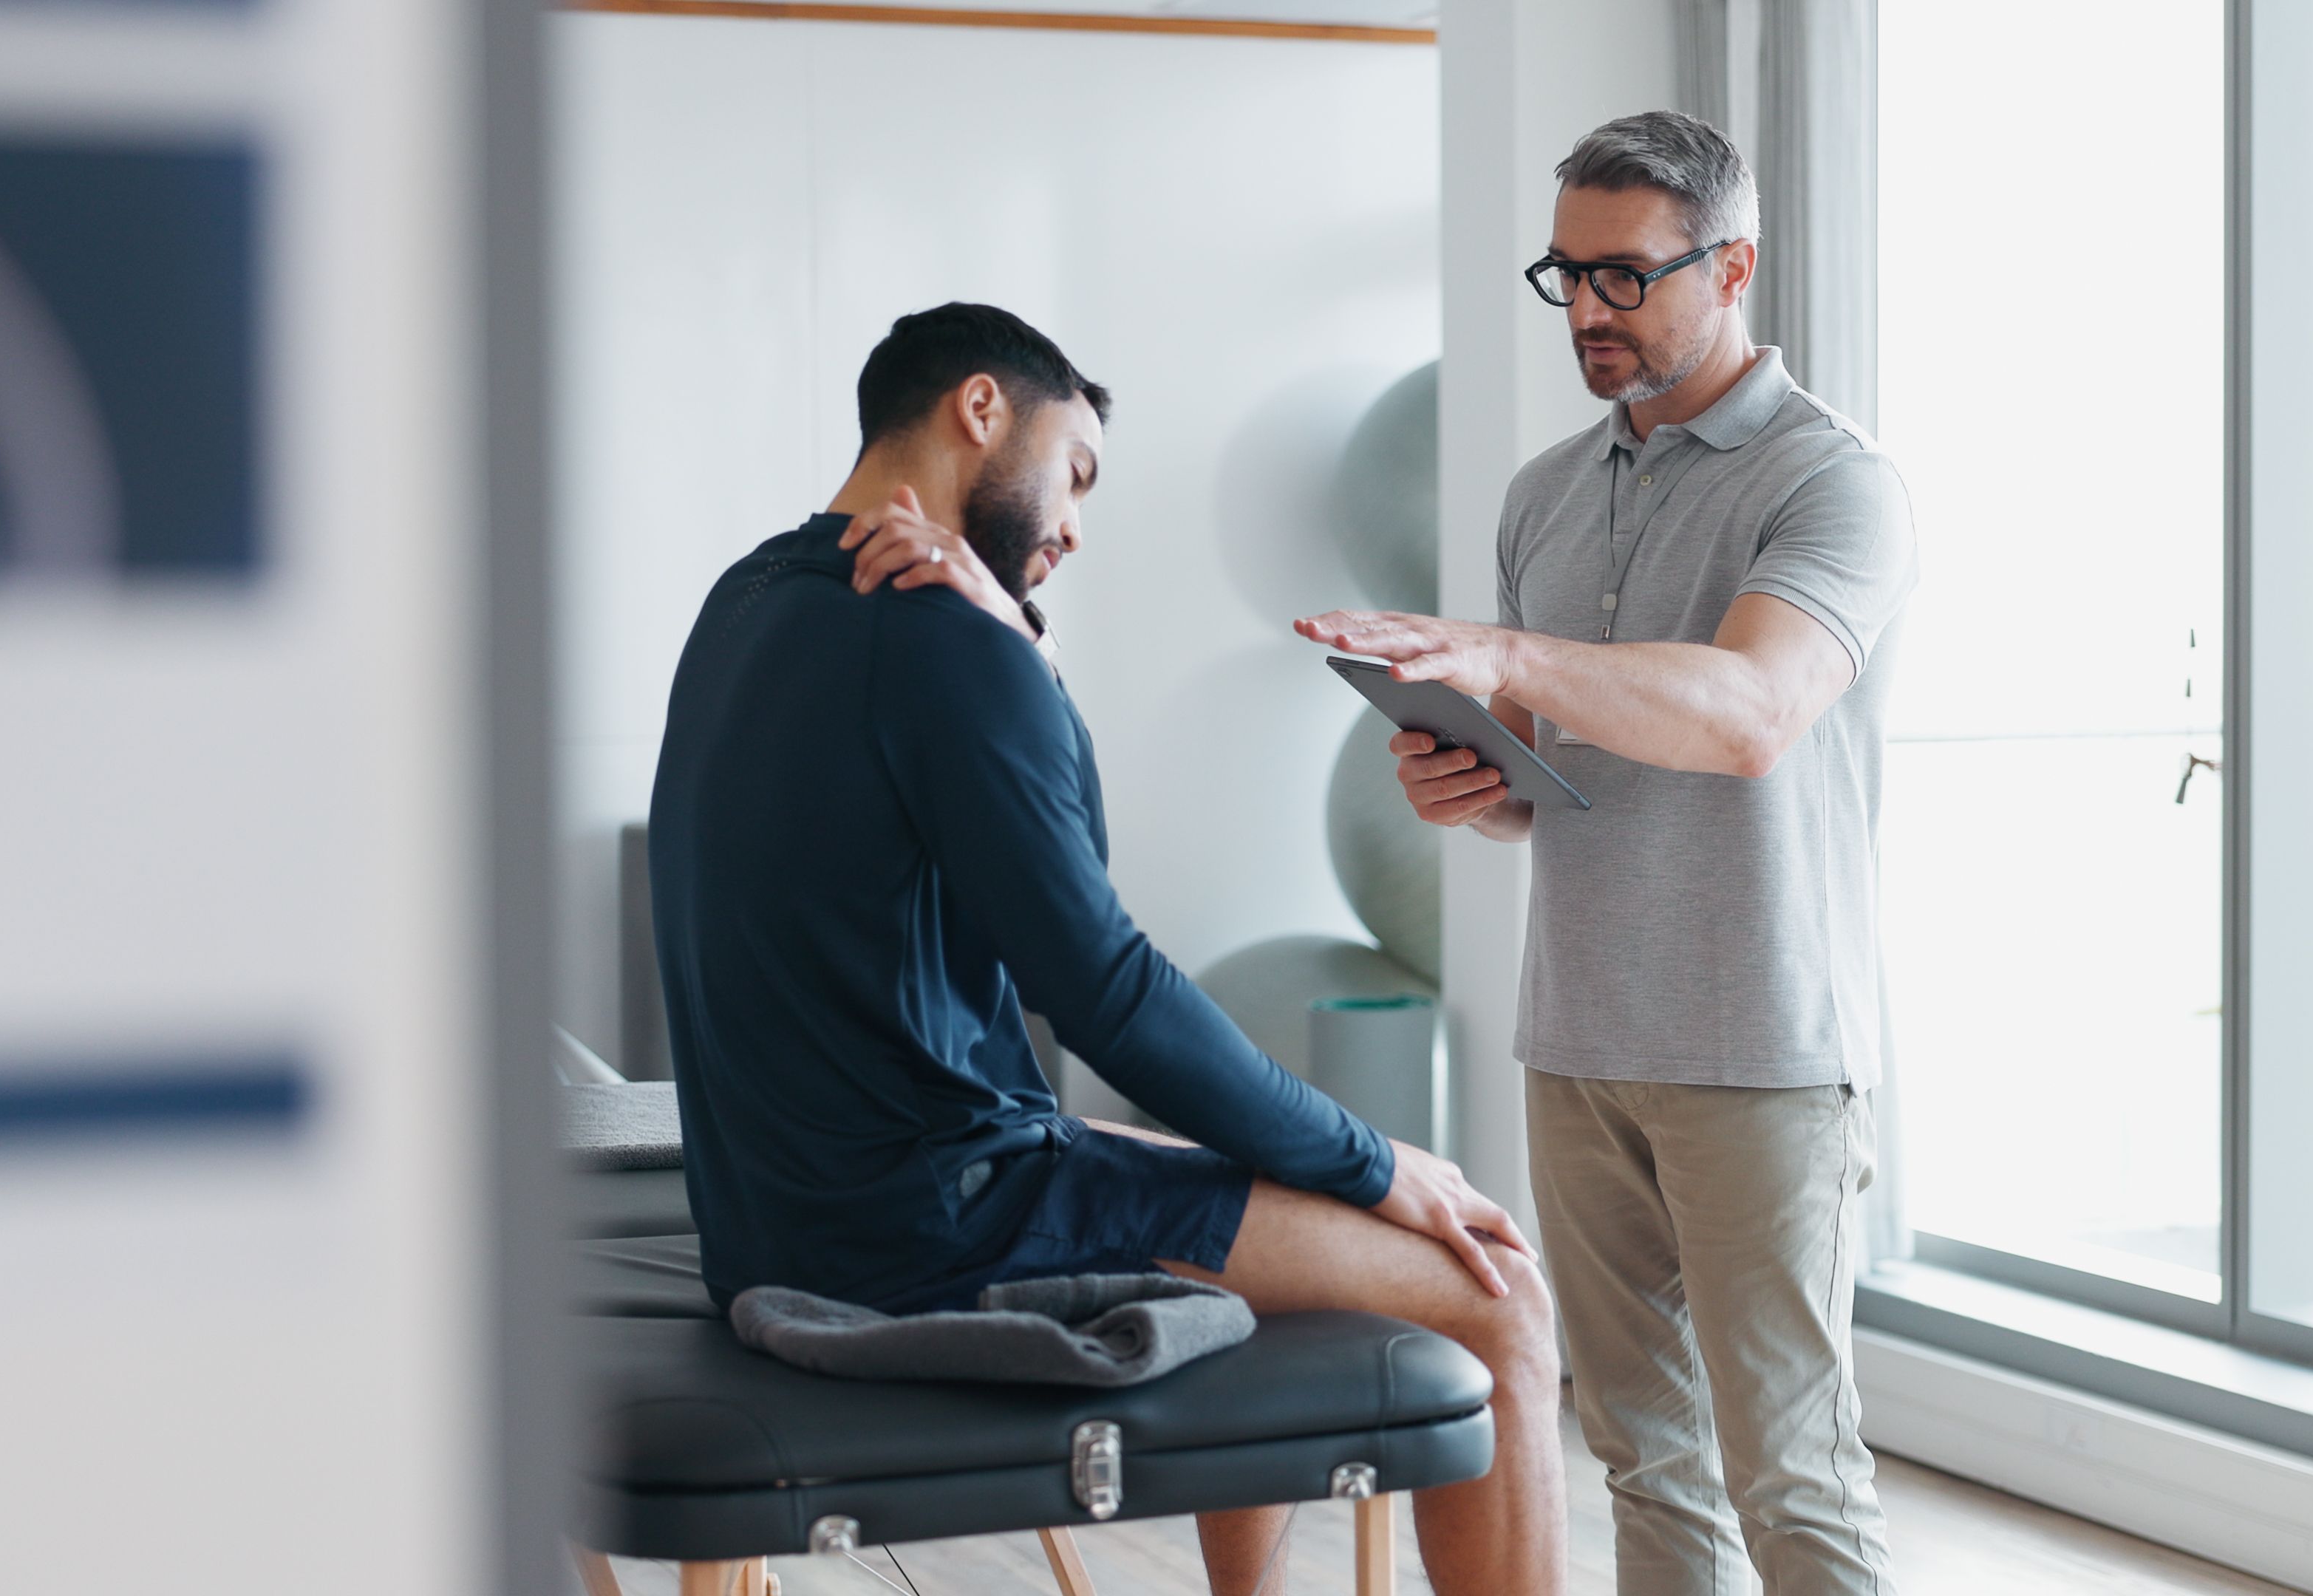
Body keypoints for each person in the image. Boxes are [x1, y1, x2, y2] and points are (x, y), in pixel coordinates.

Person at [647, 302, 1566, 1595]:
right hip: (934, 1223)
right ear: (980, 409)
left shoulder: (747, 599)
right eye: (1074, 471)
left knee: (1240, 1176)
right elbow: (1104, 988)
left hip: (776, 1216)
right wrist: (1377, 1163)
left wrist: (1016, 644)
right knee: (1504, 1293)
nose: (1075, 525)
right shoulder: (939, 640)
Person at [1298, 112, 1915, 1596]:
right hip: (1577, 1037)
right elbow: (1552, 779)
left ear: (1733, 267)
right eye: (1565, 273)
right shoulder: (1545, 494)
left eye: (1625, 276)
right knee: (1643, 1457)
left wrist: (1507, 654)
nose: (1586, 307)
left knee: (1791, 1474)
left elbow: (1750, 713)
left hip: (1760, 1048)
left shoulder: (1831, 483)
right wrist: (1470, 783)